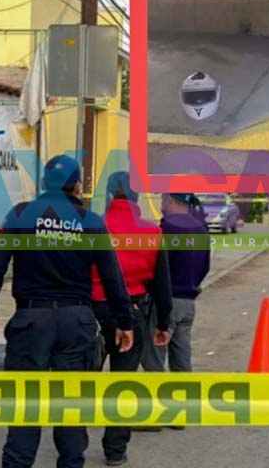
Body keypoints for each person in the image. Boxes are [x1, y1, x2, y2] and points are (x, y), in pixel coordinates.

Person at [0, 155, 134, 468]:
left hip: (31, 321)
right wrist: (124, 322)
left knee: (25, 404)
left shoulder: (21, 214)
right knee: (71, 405)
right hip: (75, 321)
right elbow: (112, 277)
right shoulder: (89, 221)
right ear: (76, 185)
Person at [90, 172, 173, 466]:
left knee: (83, 382)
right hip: (133, 314)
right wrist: (163, 324)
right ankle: (115, 451)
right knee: (122, 383)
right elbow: (163, 286)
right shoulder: (151, 232)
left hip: (93, 314)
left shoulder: (93, 227)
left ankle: (73, 444)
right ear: (138, 197)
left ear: (110, 195)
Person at [142, 193, 211, 378]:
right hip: (188, 302)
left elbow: (155, 267)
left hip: (165, 302)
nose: (161, 204)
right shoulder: (201, 229)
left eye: (162, 199)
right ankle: (184, 401)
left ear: (170, 200)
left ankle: (157, 402)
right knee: (182, 362)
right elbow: (205, 267)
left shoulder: (167, 228)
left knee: (153, 361)